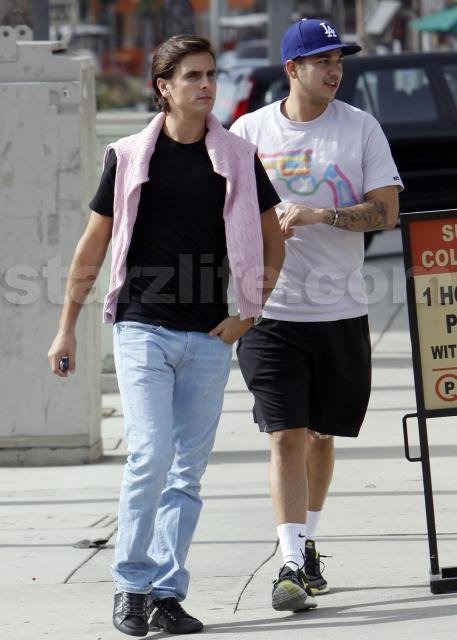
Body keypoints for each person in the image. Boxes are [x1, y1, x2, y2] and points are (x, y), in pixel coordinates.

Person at [48, 34, 284, 637]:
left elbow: (272, 237)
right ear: (164, 88)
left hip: (208, 336)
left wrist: (250, 313)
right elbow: (93, 245)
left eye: (211, 74)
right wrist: (66, 329)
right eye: (192, 76)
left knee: (186, 474)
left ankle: (166, 594)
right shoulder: (129, 156)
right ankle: (131, 585)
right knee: (150, 455)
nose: (206, 85)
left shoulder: (238, 156)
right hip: (142, 328)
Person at [230, 18, 403, 613]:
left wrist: (320, 215)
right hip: (272, 313)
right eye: (323, 60)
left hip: (340, 310)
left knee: (322, 437)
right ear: (292, 69)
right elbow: (222, 207)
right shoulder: (250, 131)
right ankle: (288, 563)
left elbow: (386, 212)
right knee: (285, 435)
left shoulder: (360, 128)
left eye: (339, 60)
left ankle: (307, 545)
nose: (335, 70)